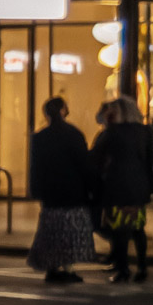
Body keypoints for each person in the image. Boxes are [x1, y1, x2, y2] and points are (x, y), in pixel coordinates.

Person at [89, 96, 153, 284]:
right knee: (138, 229)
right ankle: (142, 267)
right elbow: (149, 160)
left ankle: (123, 269)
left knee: (119, 230)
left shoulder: (112, 133)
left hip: (117, 187)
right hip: (138, 188)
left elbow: (95, 158)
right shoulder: (144, 132)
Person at [26, 97, 97, 284]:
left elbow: (36, 167)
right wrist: (91, 186)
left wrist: (36, 189)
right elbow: (84, 164)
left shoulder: (40, 137)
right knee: (69, 233)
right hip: (73, 191)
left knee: (52, 231)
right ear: (64, 111)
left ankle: (52, 267)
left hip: (51, 193)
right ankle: (67, 268)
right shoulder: (74, 134)